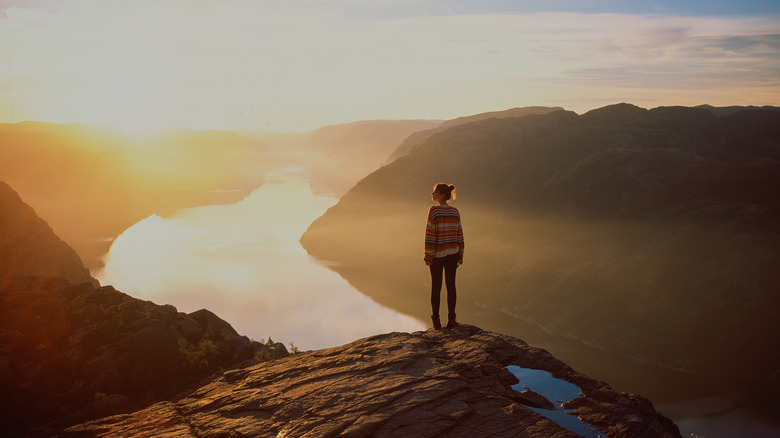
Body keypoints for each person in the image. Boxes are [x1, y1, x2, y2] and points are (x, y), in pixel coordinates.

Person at [424, 183, 464, 330]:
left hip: (438, 256)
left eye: (434, 192)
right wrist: (460, 253)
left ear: (441, 194)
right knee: (451, 286)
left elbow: (430, 234)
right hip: (453, 254)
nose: (432, 194)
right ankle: (452, 319)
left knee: (436, 287)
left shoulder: (434, 211)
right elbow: (460, 233)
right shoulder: (455, 211)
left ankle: (436, 321)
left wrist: (428, 255)